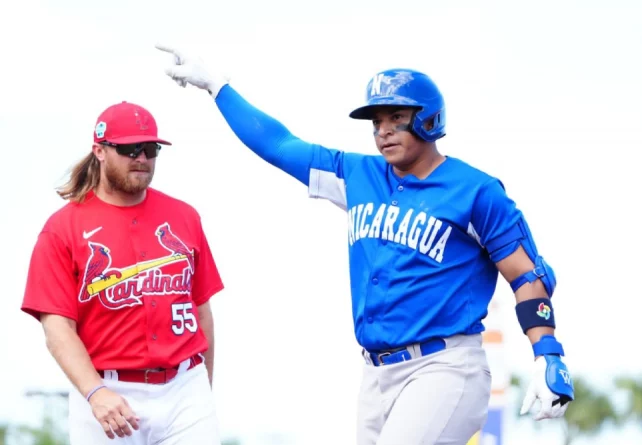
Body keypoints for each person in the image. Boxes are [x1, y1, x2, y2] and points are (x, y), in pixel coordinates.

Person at [156, 44, 574, 445]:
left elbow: (526, 274)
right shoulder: (359, 176)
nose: (383, 131)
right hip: (375, 374)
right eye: (376, 122)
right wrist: (218, 87)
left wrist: (547, 353)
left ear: (428, 120)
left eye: (396, 117)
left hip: (444, 367)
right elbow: (280, 145)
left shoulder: (476, 191)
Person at [20, 100, 225, 444]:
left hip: (185, 388)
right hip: (105, 389)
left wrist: (204, 388)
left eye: (150, 148)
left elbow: (202, 310)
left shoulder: (184, 216)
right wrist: (95, 392)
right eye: (130, 148)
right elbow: (57, 329)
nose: (142, 158)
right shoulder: (63, 228)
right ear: (99, 151)